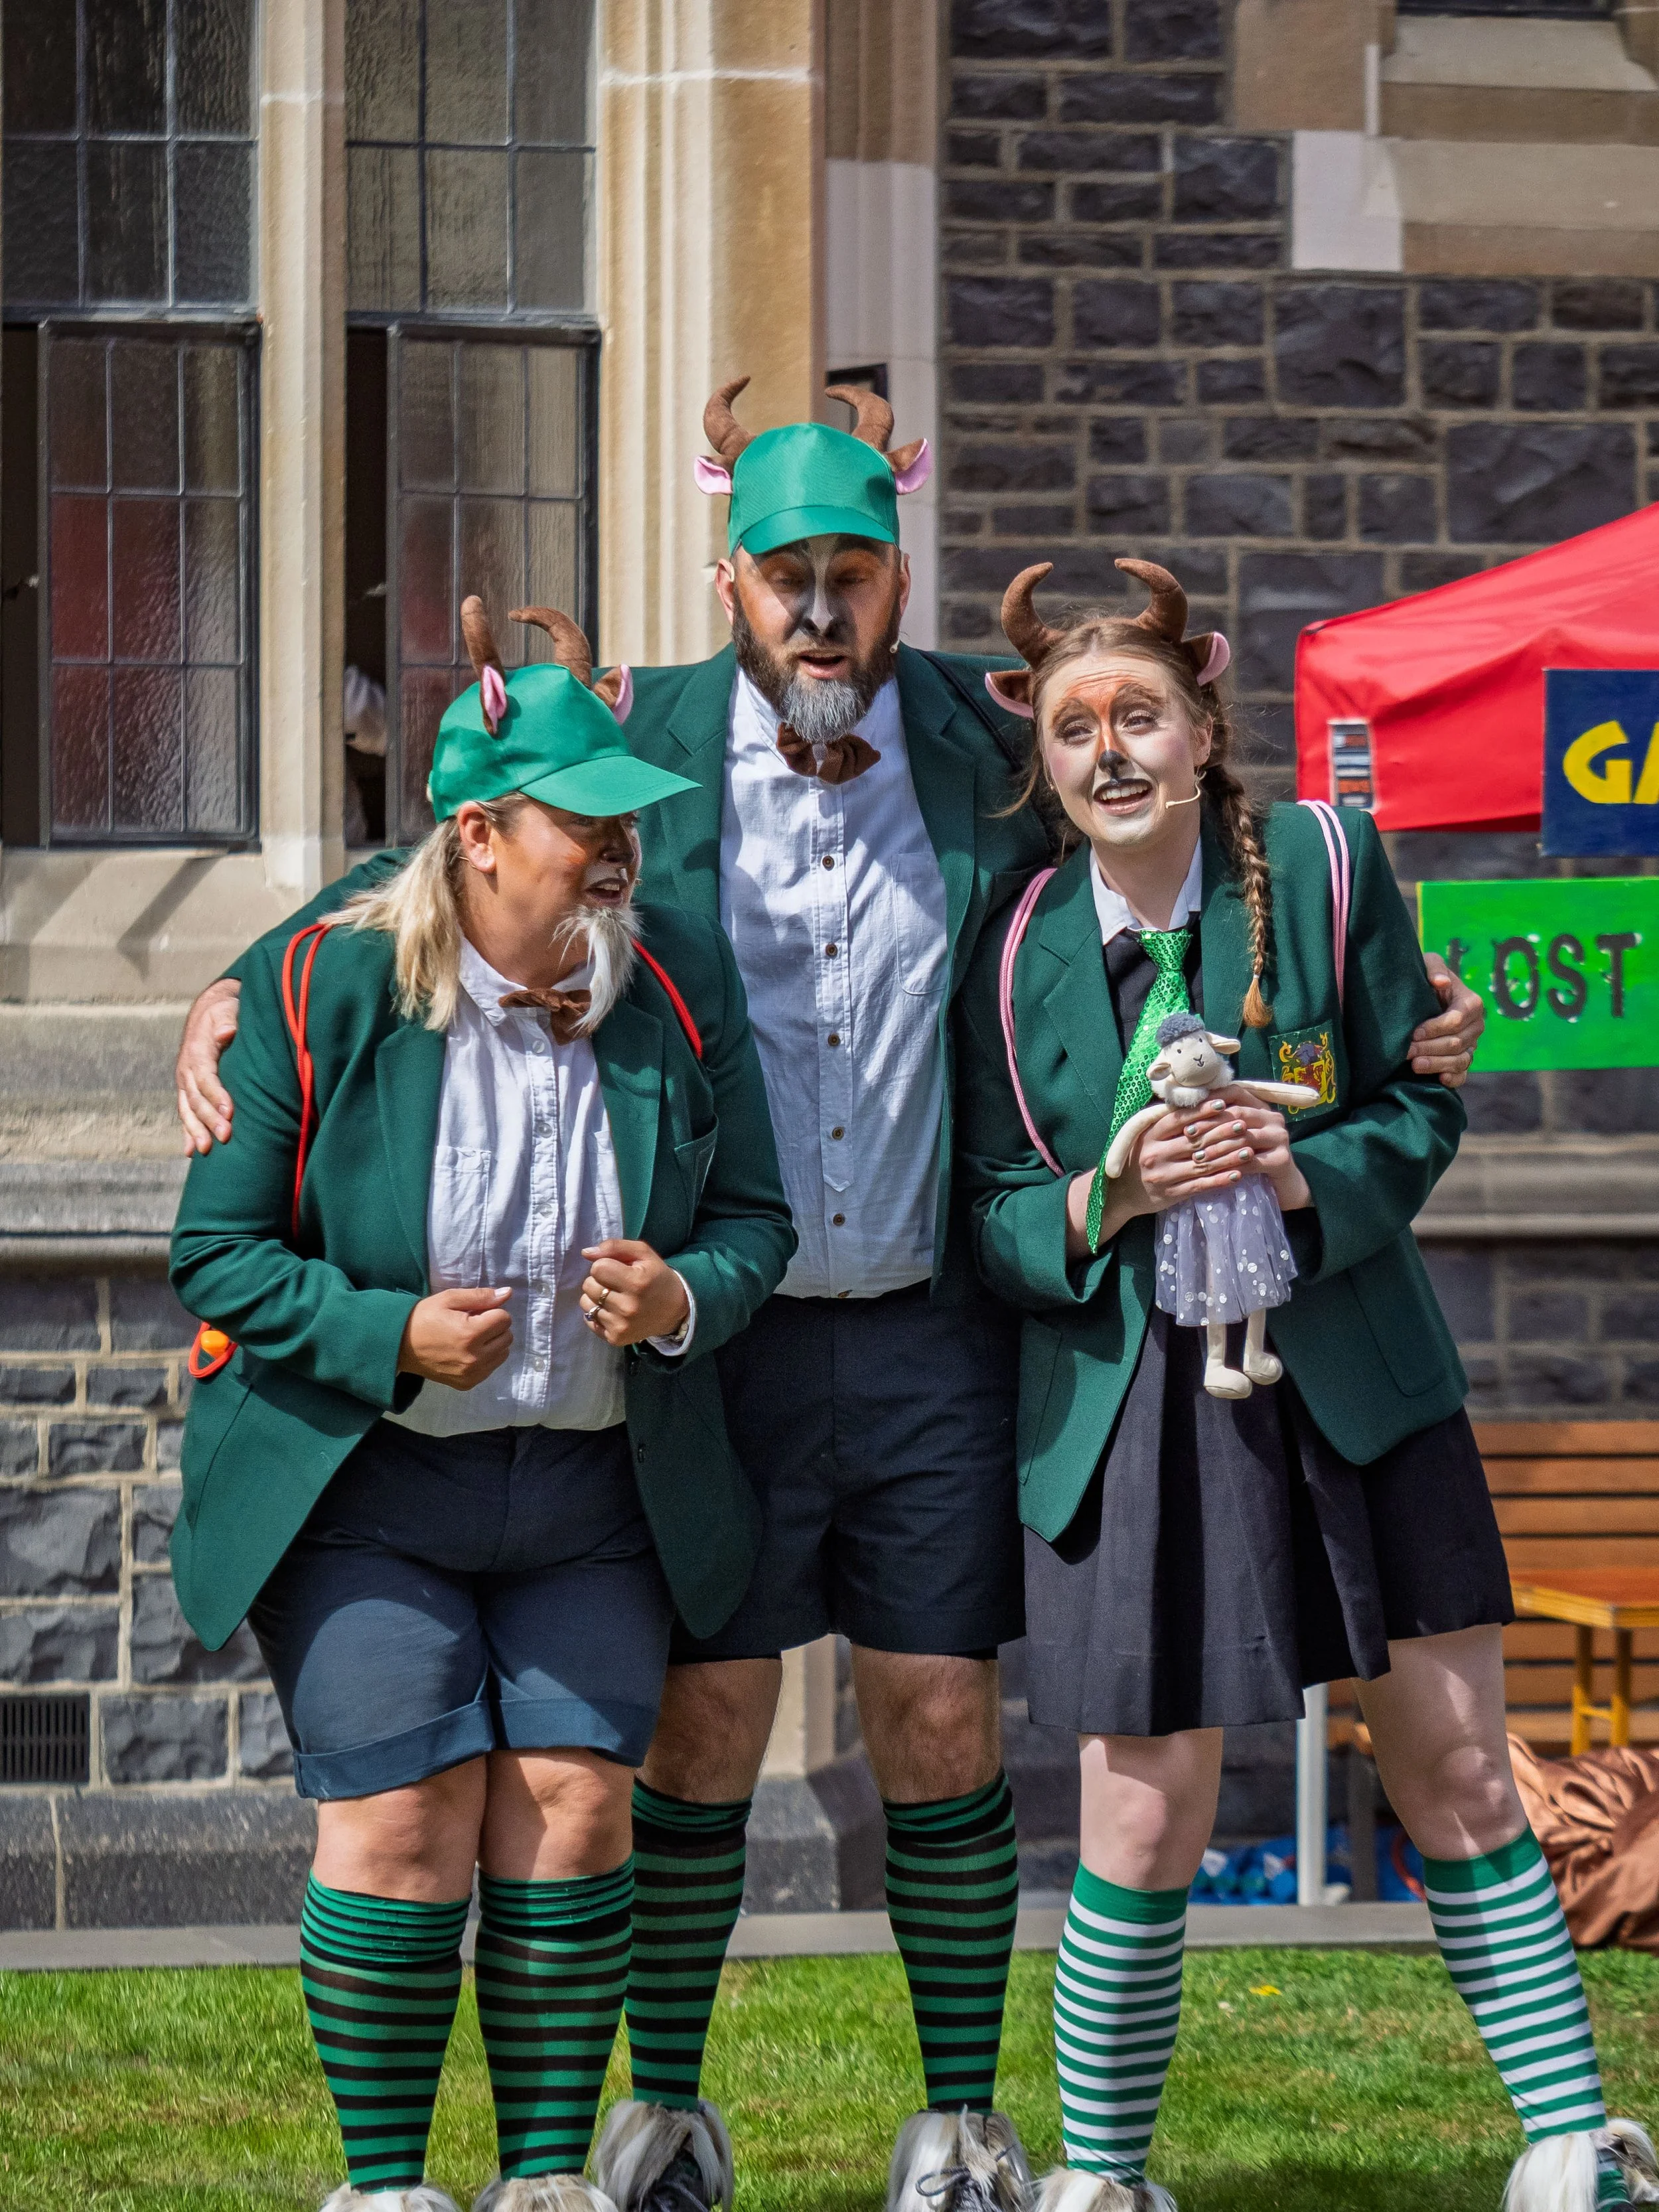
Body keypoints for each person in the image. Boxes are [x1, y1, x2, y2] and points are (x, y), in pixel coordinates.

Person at [172, 390, 1487, 2212]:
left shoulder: (992, 735)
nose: (814, 606)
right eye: (782, 573)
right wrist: (231, 982)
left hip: (940, 1317)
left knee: (934, 1704)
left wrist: (1391, 1007)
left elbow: (1198, 858)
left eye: (848, 575)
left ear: (894, 580)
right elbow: (446, 863)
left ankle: (955, 2112)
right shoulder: (629, 735)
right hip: (710, 1329)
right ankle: (665, 2109)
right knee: (699, 1717)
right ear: (726, 574)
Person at [953, 557, 1656, 2212]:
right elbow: (984, 1214)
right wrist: (1108, 1195)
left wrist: (1298, 1180)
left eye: (1137, 716)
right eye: (1074, 729)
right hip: (1134, 1402)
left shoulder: (1330, 877)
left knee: (1457, 1760)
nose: (1108, 751)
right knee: (1142, 1800)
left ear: (1202, 728)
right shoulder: (1009, 954)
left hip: (1346, 1373)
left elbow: (1418, 1111)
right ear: (1041, 764)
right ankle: (1104, 2177)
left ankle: (1571, 2142)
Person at [169, 597, 794, 2212]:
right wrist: (385, 1332)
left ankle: (539, 2185)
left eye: (620, 816)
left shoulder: (673, 977)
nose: (611, 846)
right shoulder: (326, 985)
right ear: (474, 833)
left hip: (593, 1490)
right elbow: (215, 1255)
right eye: (575, 817)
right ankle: (383, 2187)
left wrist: (679, 1300)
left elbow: (755, 1225)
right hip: (373, 1489)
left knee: (581, 1809)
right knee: (401, 1820)